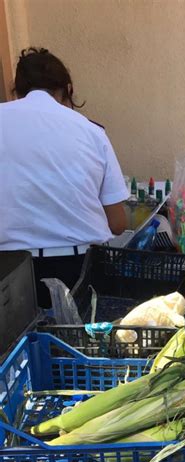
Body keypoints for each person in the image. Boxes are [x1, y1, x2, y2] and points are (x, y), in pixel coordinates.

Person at [0, 47, 128, 308]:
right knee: (79, 343)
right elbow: (117, 223)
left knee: (15, 346)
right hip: (81, 268)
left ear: (18, 89)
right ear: (66, 89)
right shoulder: (91, 131)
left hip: (10, 272)